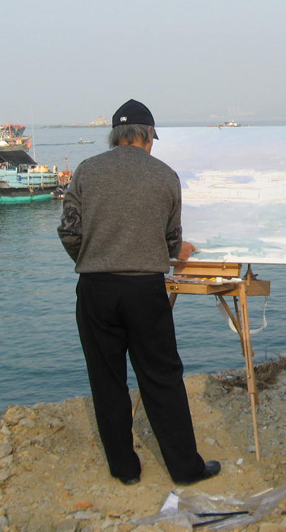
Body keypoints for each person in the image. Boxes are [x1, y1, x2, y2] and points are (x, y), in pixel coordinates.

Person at [57, 99, 219, 486]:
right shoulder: (165, 176)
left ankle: (124, 469)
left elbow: (68, 231)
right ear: (148, 137)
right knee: (162, 376)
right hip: (145, 289)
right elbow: (172, 240)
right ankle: (184, 468)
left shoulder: (86, 171)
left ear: (115, 137)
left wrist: (94, 256)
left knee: (107, 378)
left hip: (96, 288)